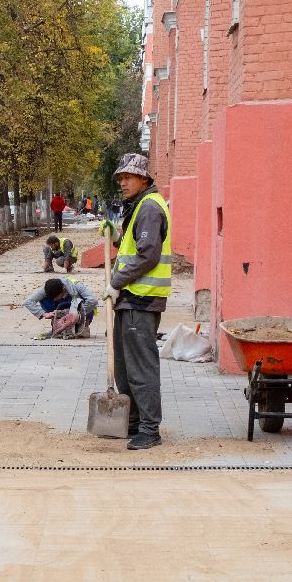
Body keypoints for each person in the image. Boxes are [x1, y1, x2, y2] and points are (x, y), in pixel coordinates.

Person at [107, 153, 172, 450]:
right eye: (120, 177)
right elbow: (133, 247)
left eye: (127, 177)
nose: (122, 182)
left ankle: (149, 428)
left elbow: (148, 255)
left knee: (140, 368)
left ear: (143, 179)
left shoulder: (149, 208)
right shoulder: (139, 207)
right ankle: (133, 422)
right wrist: (114, 235)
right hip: (130, 299)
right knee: (123, 366)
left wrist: (116, 282)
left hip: (141, 300)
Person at [26, 276, 97, 338]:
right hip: (63, 305)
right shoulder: (47, 288)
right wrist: (43, 314)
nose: (54, 299)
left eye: (56, 297)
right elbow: (28, 302)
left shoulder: (77, 285)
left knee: (85, 300)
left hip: (77, 306)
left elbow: (93, 300)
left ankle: (84, 327)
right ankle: (58, 324)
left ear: (63, 289)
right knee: (44, 300)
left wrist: (78, 313)